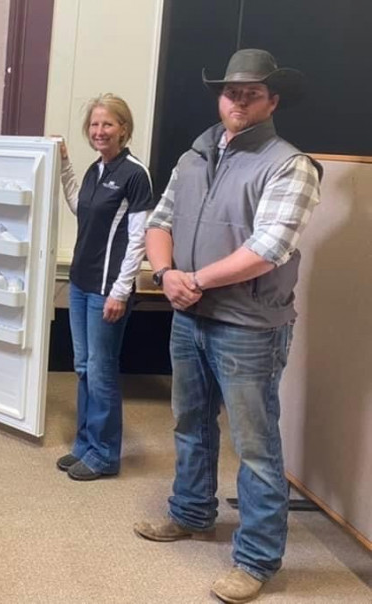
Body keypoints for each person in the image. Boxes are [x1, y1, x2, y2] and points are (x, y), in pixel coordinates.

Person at [134, 49, 322, 603]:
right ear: (219, 95)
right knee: (189, 424)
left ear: (273, 100)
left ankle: (258, 559)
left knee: (255, 445)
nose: (238, 100)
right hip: (190, 315)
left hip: (248, 326)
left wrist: (193, 280)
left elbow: (269, 248)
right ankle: (191, 513)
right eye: (230, 91)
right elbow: (160, 219)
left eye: (251, 92)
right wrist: (167, 274)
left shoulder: (290, 164)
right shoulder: (195, 155)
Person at [55, 94, 154, 480]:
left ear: (124, 129)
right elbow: (80, 205)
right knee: (83, 367)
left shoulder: (134, 174)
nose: (99, 131)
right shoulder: (97, 170)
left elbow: (138, 238)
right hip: (81, 283)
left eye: (107, 124)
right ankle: (85, 444)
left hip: (106, 289)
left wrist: (120, 290)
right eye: (95, 125)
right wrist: (64, 163)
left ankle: (105, 454)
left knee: (101, 370)